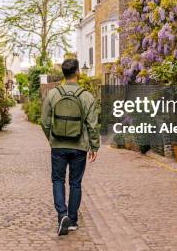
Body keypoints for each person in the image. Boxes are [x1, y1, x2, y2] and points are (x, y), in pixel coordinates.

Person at [41, 58, 100, 236]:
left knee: (58, 180)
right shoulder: (86, 96)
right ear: (78, 73)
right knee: (75, 183)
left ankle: (62, 216)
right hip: (79, 146)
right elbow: (93, 124)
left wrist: (52, 138)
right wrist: (94, 146)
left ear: (63, 74)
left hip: (58, 145)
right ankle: (72, 220)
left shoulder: (53, 94)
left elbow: (44, 121)